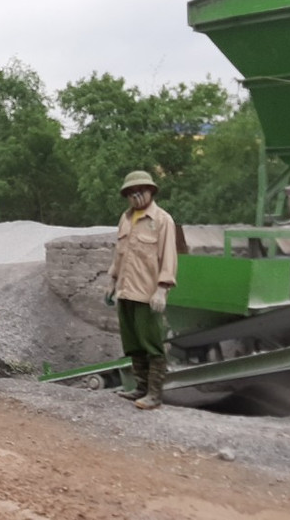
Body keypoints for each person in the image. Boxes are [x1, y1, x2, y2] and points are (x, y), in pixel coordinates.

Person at [106, 170, 178, 410]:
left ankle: (155, 394)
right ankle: (140, 386)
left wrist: (162, 289)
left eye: (141, 191)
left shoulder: (162, 220)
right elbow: (120, 254)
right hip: (126, 291)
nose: (136, 196)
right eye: (131, 193)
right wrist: (112, 281)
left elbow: (168, 257)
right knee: (133, 342)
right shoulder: (125, 219)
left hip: (147, 294)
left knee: (151, 343)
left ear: (150, 191)